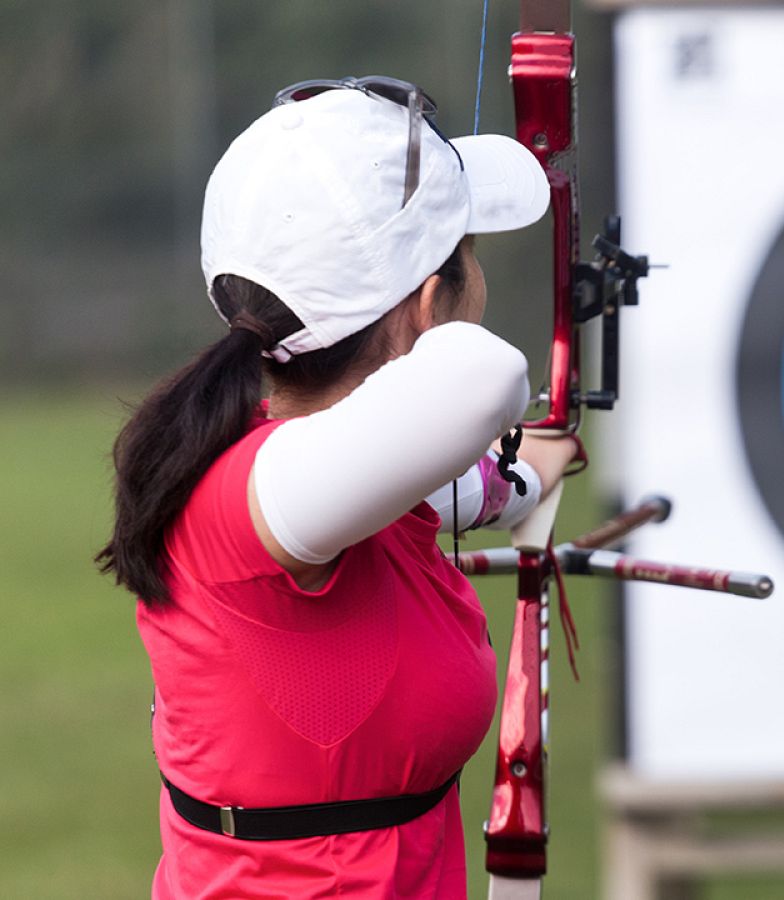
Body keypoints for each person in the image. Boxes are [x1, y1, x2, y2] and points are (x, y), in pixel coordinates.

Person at [97, 77, 576, 899]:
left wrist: (527, 471)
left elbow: (455, 488)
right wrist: (480, 418)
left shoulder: (341, 482)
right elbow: (481, 378)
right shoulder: (258, 495)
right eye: (469, 256)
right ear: (430, 304)